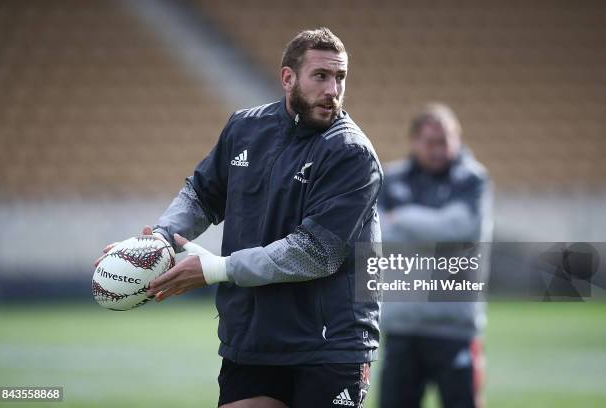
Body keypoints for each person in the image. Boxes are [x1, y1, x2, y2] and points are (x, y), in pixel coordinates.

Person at [96, 28, 382, 408]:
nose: (333, 89)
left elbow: (316, 251)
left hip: (329, 344)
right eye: (321, 76)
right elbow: (201, 194)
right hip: (253, 339)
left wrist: (217, 269)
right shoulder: (245, 127)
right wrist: (159, 241)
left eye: (340, 77)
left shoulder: (350, 153)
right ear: (288, 78)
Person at [377, 103, 492, 408]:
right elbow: (375, 235)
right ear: (414, 141)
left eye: (445, 142)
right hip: (401, 324)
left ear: (458, 140)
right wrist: (433, 228)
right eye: (430, 142)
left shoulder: (472, 178)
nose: (438, 150)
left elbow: (459, 228)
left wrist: (401, 218)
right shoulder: (390, 177)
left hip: (454, 325)